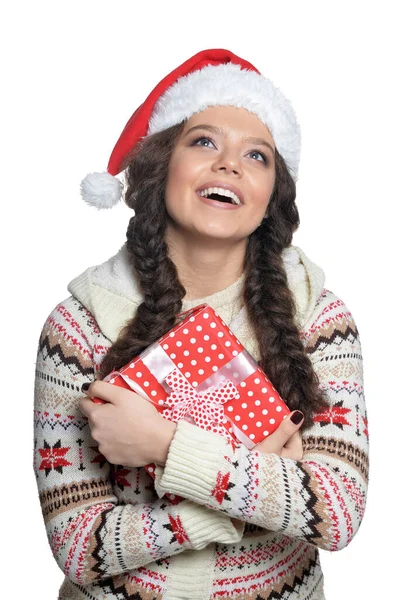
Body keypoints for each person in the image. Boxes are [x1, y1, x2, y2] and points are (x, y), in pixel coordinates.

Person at [33, 48, 368, 599]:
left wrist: (162, 444)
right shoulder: (80, 324)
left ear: (270, 197)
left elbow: (334, 509)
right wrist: (232, 511)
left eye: (257, 156)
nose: (229, 164)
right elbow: (78, 543)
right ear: (161, 165)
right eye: (204, 141)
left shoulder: (319, 317)